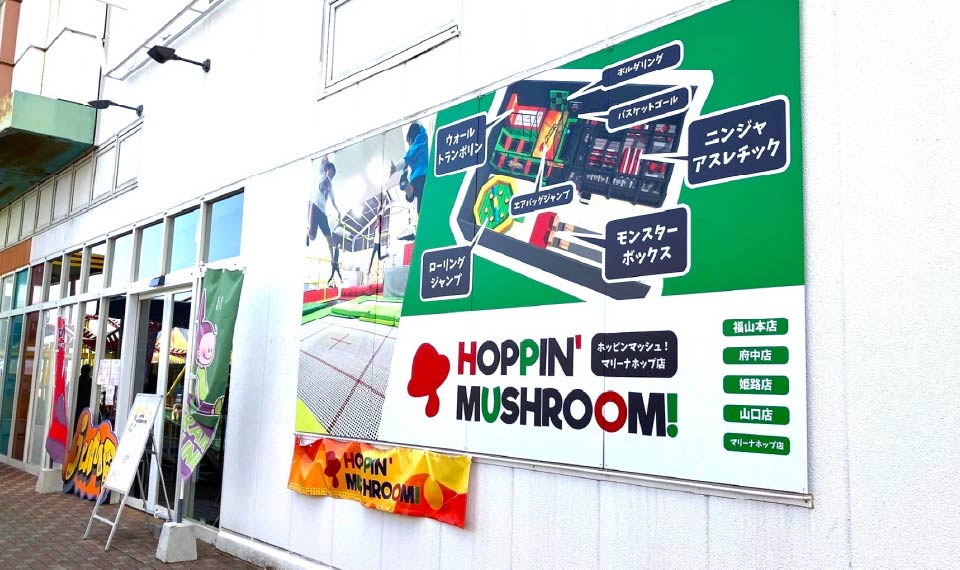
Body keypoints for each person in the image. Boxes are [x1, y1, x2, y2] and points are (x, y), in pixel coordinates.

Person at [306, 157, 344, 285]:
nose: (332, 176)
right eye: (332, 173)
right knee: (312, 237)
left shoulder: (331, 186)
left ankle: (333, 260)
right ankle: (307, 231)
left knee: (329, 237)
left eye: (333, 175)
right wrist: (326, 158)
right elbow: (323, 164)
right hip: (315, 207)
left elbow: (333, 201)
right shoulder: (322, 176)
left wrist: (338, 211)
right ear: (328, 170)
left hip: (323, 213)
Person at [390, 122, 429, 221]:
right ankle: (410, 192)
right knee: (416, 200)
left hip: (421, 177)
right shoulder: (422, 143)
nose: (409, 145)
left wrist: (396, 168)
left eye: (409, 142)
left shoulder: (420, 143)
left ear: (412, 138)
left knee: (421, 208)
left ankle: (410, 192)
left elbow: (408, 157)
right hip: (418, 178)